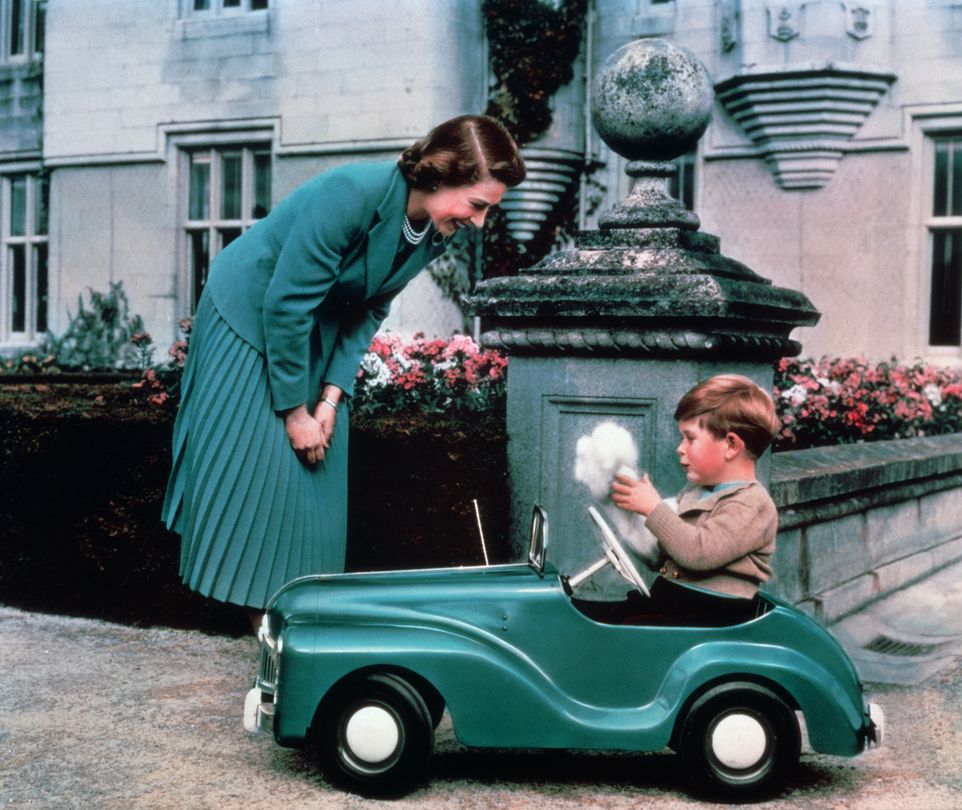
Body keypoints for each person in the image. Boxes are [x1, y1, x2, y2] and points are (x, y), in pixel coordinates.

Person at [161, 115, 525, 632]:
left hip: (315, 324)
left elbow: (370, 311)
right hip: (248, 315)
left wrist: (330, 398)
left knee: (315, 486)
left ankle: (301, 631)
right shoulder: (349, 193)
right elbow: (285, 305)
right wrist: (293, 413)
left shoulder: (433, 231)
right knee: (263, 477)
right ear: (440, 176)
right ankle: (272, 639)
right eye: (478, 205)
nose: (481, 222)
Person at [610, 374, 780, 621]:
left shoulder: (752, 503)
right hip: (677, 602)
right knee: (594, 613)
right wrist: (630, 518)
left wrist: (653, 508)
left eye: (690, 438)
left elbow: (699, 553)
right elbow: (666, 552)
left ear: (731, 445)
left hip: (711, 613)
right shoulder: (695, 491)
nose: (680, 448)